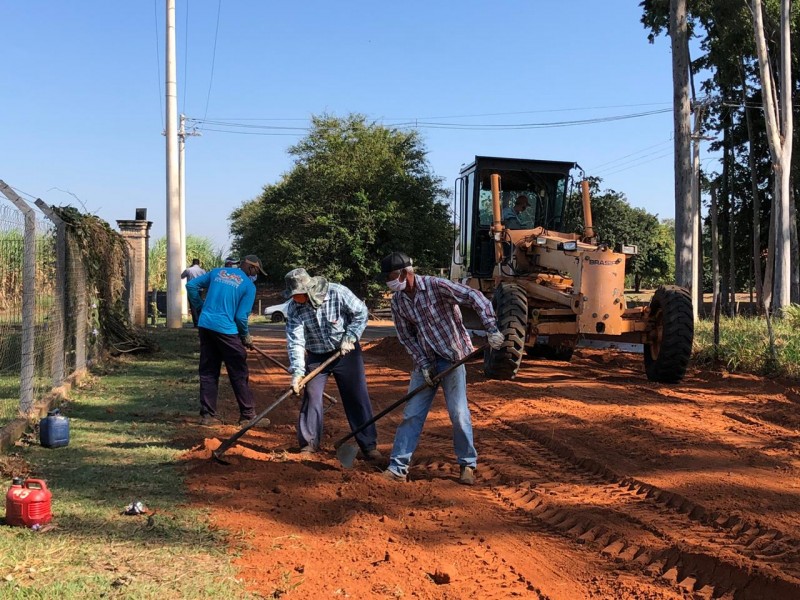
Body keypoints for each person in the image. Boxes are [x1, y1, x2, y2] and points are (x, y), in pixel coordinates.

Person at [378, 252, 505, 485]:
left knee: (458, 413)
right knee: (412, 414)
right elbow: (406, 337)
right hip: (425, 361)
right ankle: (397, 468)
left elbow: (474, 296)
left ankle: (467, 464)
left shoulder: (436, 286)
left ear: (407, 273)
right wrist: (424, 365)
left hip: (452, 358)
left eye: (392, 275)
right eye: (387, 277)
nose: (389, 280)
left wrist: (491, 328)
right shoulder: (398, 301)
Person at [284, 267, 380, 460]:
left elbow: (361, 313)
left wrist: (350, 337)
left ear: (309, 290)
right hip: (317, 356)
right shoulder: (294, 308)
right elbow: (295, 341)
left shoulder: (337, 292)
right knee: (311, 395)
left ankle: (369, 446)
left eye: (298, 295)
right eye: (293, 295)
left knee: (356, 396)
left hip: (346, 353)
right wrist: (297, 372)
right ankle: (308, 445)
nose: (295, 299)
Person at [186, 255, 267, 426]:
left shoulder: (217, 272)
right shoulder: (248, 286)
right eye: (257, 271)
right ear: (251, 268)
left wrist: (200, 307)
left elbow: (191, 285)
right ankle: (247, 415)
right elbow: (240, 317)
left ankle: (208, 416)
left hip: (206, 326)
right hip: (226, 330)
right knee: (238, 371)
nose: (256, 274)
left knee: (208, 371)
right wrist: (245, 336)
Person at [181, 258, 206, 326]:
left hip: (192, 290)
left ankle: (196, 322)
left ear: (193, 263)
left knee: (193, 306)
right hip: (200, 290)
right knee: (200, 305)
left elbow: (182, 276)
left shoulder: (188, 270)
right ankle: (201, 322)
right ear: (199, 263)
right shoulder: (203, 271)